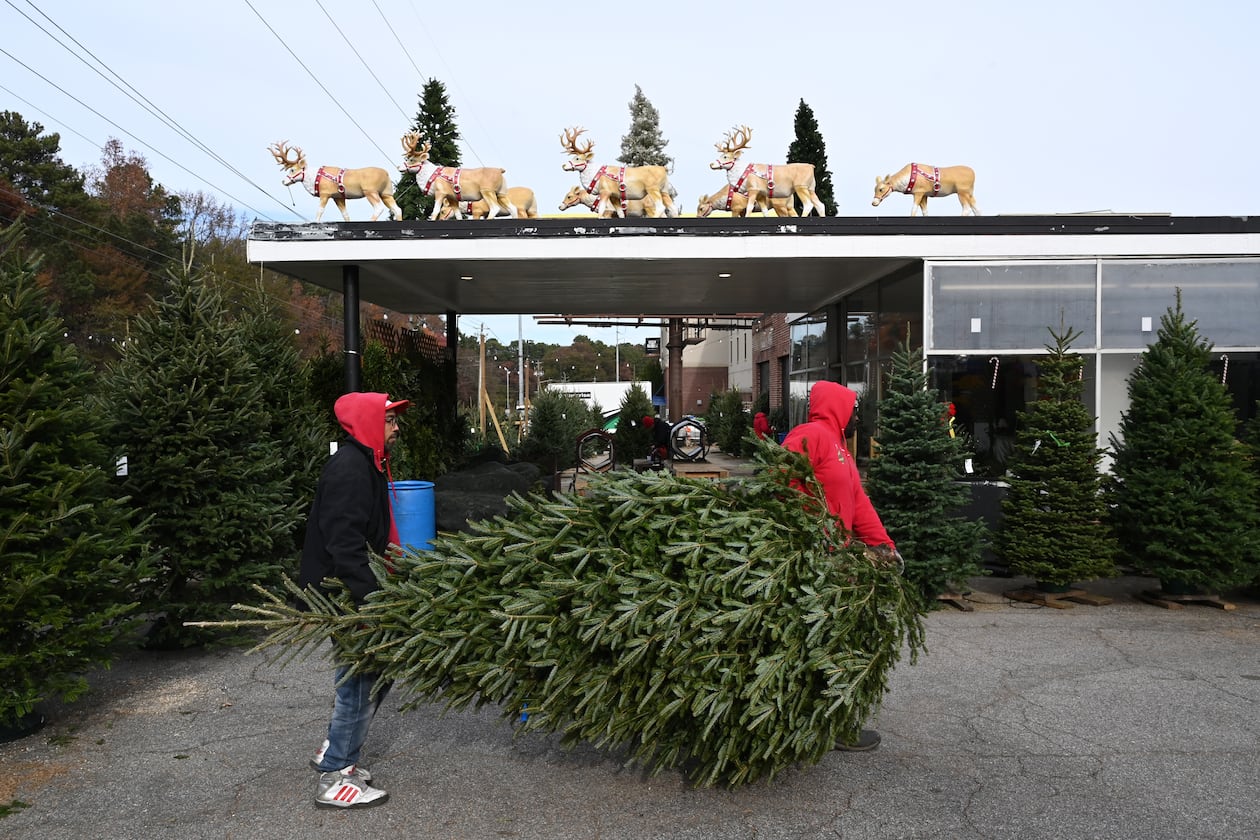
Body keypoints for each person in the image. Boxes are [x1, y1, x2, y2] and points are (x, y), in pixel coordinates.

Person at [299, 391, 409, 808]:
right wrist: (373, 599)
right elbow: (345, 545)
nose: (397, 428)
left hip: (355, 589)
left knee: (372, 676)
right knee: (360, 681)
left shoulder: (367, 463)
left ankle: (337, 755)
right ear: (367, 421)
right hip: (346, 594)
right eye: (390, 420)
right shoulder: (350, 469)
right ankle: (335, 777)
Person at [781, 380, 898, 753]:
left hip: (838, 559)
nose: (855, 413)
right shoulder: (810, 435)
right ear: (838, 407)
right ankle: (826, 726)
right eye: (851, 406)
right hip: (812, 559)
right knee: (825, 642)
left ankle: (833, 722)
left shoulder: (841, 447)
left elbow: (857, 501)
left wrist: (883, 545)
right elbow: (778, 481)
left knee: (837, 640)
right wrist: (805, 527)